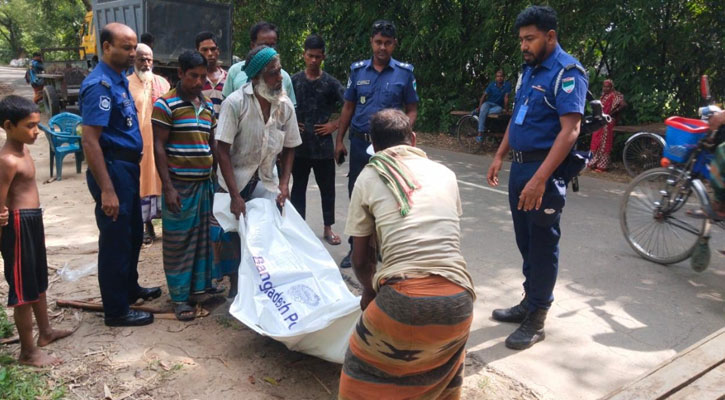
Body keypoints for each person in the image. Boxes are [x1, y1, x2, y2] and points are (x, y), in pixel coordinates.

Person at [339, 109, 475, 400]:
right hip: (460, 300)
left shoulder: (368, 177)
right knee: (439, 376)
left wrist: (368, 292)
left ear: (374, 147)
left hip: (404, 298)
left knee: (360, 371)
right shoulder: (445, 174)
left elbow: (361, 260)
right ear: (413, 139)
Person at [486, 5, 588, 350]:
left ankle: (538, 317)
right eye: (521, 40)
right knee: (525, 241)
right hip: (520, 167)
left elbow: (570, 130)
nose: (524, 46)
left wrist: (540, 178)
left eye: (530, 39)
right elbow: (518, 116)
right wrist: (500, 155)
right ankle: (529, 301)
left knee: (543, 244)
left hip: (544, 170)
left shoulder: (567, 71)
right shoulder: (529, 71)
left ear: (550, 36)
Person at [80, 23, 161, 327]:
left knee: (132, 234)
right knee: (115, 240)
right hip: (112, 170)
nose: (131, 53)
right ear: (106, 47)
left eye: (133, 47)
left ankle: (129, 288)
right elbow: (90, 139)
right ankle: (116, 310)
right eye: (125, 47)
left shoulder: (118, 81)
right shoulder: (98, 85)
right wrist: (107, 190)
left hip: (127, 168)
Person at [215, 45, 302, 298]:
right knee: (234, 235)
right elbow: (222, 150)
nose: (279, 78)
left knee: (266, 237)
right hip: (236, 179)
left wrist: (284, 183)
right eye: (273, 74)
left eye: (280, 71)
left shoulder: (284, 106)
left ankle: (264, 290)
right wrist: (234, 195)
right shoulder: (235, 104)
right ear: (256, 78)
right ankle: (237, 288)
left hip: (267, 180)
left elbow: (289, 148)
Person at [334, 20, 419, 268]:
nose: (382, 47)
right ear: (372, 42)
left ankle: (384, 247)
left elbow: (412, 110)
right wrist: (339, 140)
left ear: (394, 44)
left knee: (390, 195)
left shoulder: (404, 73)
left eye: (387, 43)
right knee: (358, 196)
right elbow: (348, 107)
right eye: (378, 42)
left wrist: (403, 131)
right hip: (360, 145)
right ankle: (355, 249)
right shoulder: (357, 71)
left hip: (391, 148)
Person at [0, 95, 74, 367]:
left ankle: (45, 332)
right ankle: (27, 352)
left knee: (38, 281)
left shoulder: (25, 151)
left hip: (32, 221)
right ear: (8, 125)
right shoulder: (7, 159)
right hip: (17, 226)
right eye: (30, 126)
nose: (35, 131)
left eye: (36, 125)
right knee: (23, 291)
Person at [152, 51, 217, 321]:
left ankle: (198, 290)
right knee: (178, 243)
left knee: (203, 240)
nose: (198, 81)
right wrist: (167, 187)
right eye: (193, 76)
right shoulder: (165, 105)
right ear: (180, 73)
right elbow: (158, 146)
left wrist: (215, 179)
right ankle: (179, 298)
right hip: (179, 185)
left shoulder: (209, 106)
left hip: (204, 185)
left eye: (203, 76)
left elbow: (210, 142)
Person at [290, 34, 345, 245]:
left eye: (318, 56)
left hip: (323, 147)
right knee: (298, 189)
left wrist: (334, 124)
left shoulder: (331, 83)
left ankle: (328, 228)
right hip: (299, 146)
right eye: (310, 56)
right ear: (303, 55)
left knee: (327, 189)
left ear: (323, 57)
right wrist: (292, 123)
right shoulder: (293, 81)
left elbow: (350, 106)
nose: (313, 60)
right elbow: (280, 106)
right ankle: (298, 228)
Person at [127, 43, 170, 245]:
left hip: (161, 144)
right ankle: (147, 227)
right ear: (134, 60)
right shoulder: (125, 84)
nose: (145, 63)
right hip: (139, 145)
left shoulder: (163, 84)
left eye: (149, 59)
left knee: (164, 181)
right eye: (141, 59)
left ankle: (167, 225)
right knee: (142, 183)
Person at [221, 22, 296, 106]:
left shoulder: (284, 77)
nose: (269, 50)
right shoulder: (235, 71)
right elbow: (226, 105)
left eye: (273, 45)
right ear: (253, 45)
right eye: (264, 45)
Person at [588, 79, 626, 171]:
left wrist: (613, 113)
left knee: (605, 144)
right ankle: (593, 163)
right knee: (596, 141)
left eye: (607, 87)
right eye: (604, 86)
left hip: (607, 122)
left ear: (611, 87)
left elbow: (623, 105)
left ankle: (602, 166)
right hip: (600, 120)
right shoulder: (603, 95)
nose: (605, 88)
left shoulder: (615, 95)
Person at [196, 31, 227, 118]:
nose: (209, 54)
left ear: (218, 51)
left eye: (213, 49)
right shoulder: (194, 80)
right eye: (204, 50)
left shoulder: (228, 78)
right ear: (197, 52)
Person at [475, 69, 511, 141]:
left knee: (499, 109)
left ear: (504, 77)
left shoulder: (507, 85)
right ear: (495, 78)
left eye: (501, 76)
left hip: (497, 106)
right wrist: (479, 107)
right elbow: (484, 96)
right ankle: (480, 132)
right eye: (498, 76)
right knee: (484, 107)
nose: (499, 78)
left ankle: (482, 112)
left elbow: (506, 98)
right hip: (488, 103)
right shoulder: (491, 85)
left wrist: (506, 110)